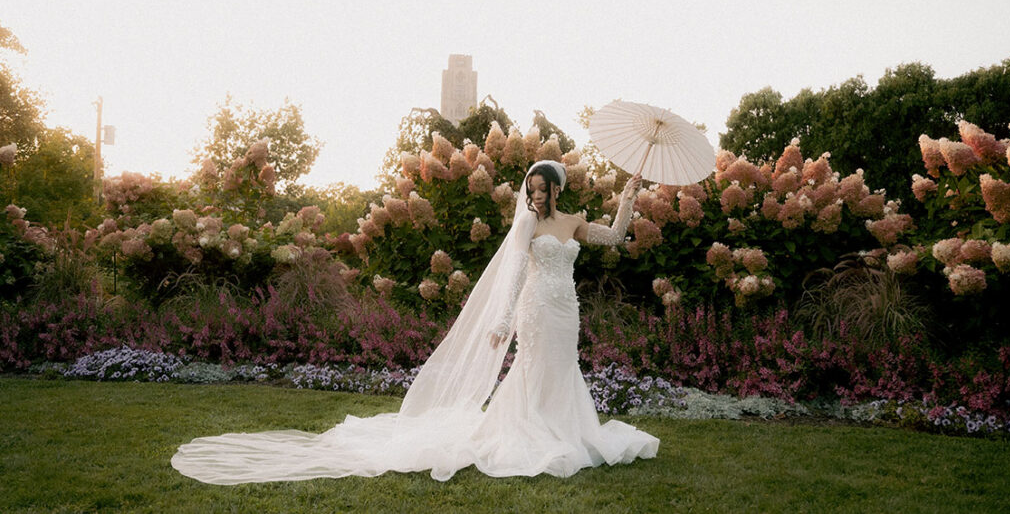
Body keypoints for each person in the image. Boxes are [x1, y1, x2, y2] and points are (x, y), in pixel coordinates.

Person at [171, 159, 658, 483]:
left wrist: (629, 196)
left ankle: (566, 430)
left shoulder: (573, 222)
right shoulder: (527, 224)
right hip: (533, 308)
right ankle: (533, 430)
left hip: (565, 309)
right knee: (534, 368)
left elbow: (615, 238)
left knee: (562, 366)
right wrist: (503, 320)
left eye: (542, 189)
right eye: (531, 189)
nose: (535, 196)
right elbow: (511, 274)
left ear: (557, 189)